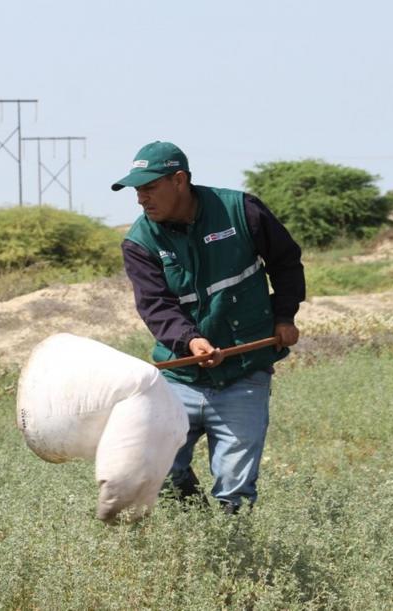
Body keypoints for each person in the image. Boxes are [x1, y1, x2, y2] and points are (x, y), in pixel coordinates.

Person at [112, 141, 305, 514]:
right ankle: (199, 532)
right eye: (137, 191)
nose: (141, 199)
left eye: (149, 188)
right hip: (179, 379)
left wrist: (284, 316)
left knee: (235, 489)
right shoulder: (140, 242)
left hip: (244, 372)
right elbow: (155, 305)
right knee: (162, 471)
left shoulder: (241, 211)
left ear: (179, 179)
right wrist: (190, 341)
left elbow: (286, 262)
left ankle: (232, 551)